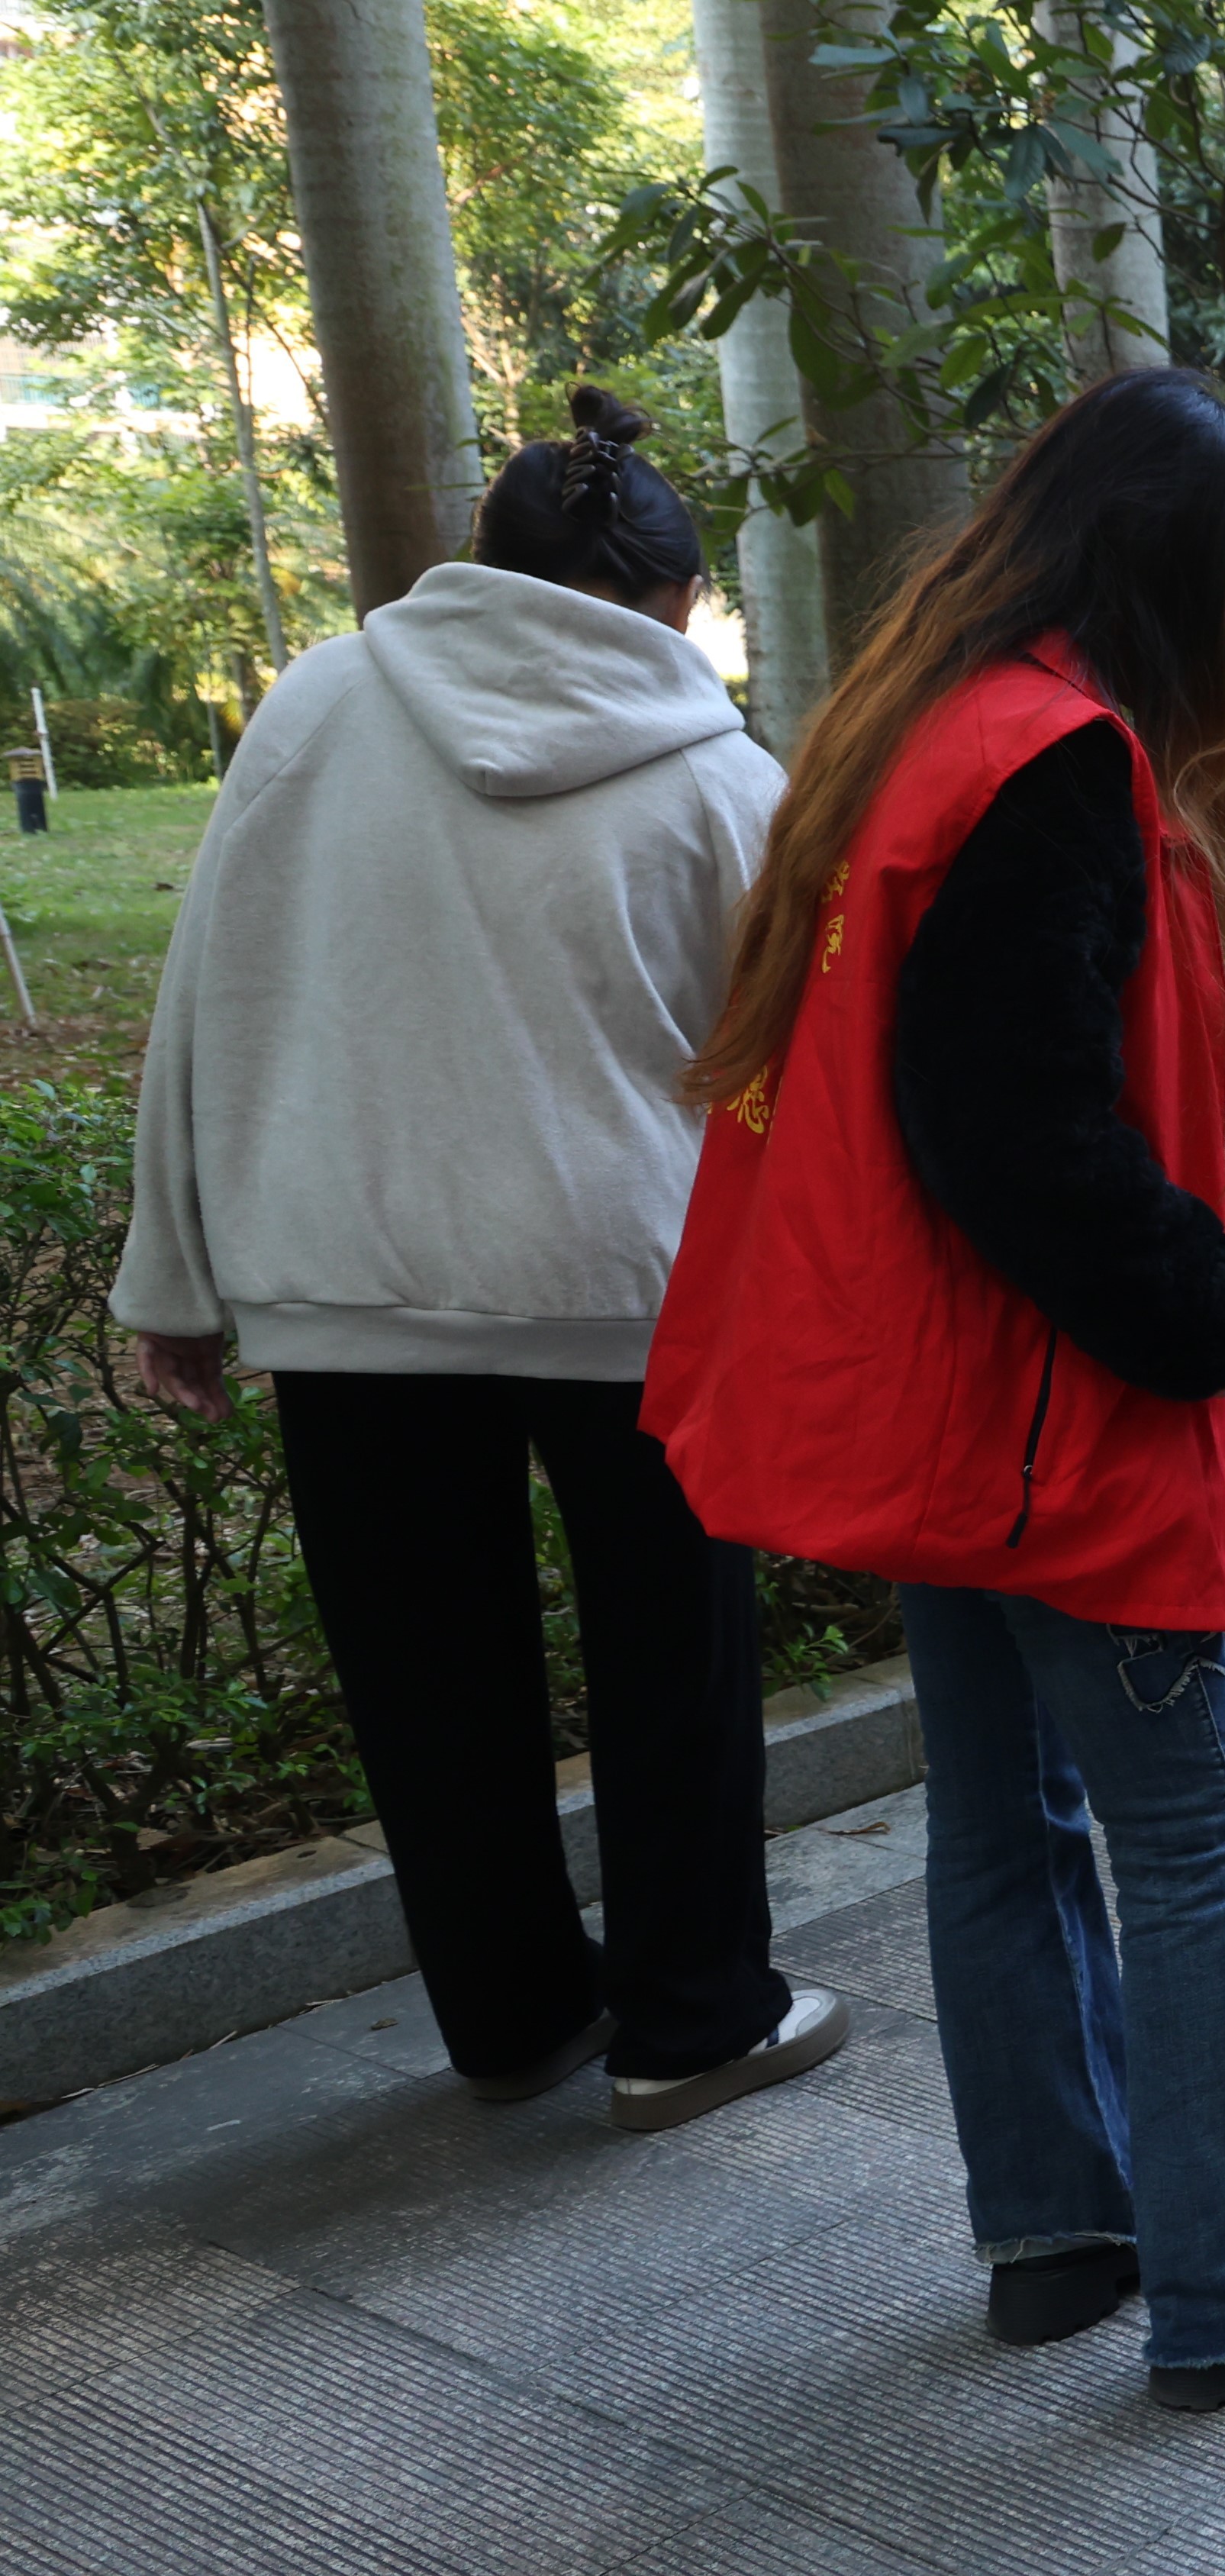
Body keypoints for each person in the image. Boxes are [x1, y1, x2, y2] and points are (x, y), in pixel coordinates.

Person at [640, 369, 1225, 2410]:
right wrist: (1202, 1303)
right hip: (1052, 1414)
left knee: (1001, 1815)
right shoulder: (1060, 762)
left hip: (949, 1405)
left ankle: (1059, 2225)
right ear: (1170, 571)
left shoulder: (927, 729)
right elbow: (1012, 1122)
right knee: (1187, 1830)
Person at [114, 388, 846, 2133]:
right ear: (677, 603)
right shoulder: (727, 780)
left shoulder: (313, 708)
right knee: (675, 1665)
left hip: (345, 1277)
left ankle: (515, 2018)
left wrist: (174, 1275)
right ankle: (693, 2021)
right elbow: (793, 1067)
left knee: (426, 1677)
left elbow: (205, 990)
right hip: (629, 1287)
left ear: (479, 565)